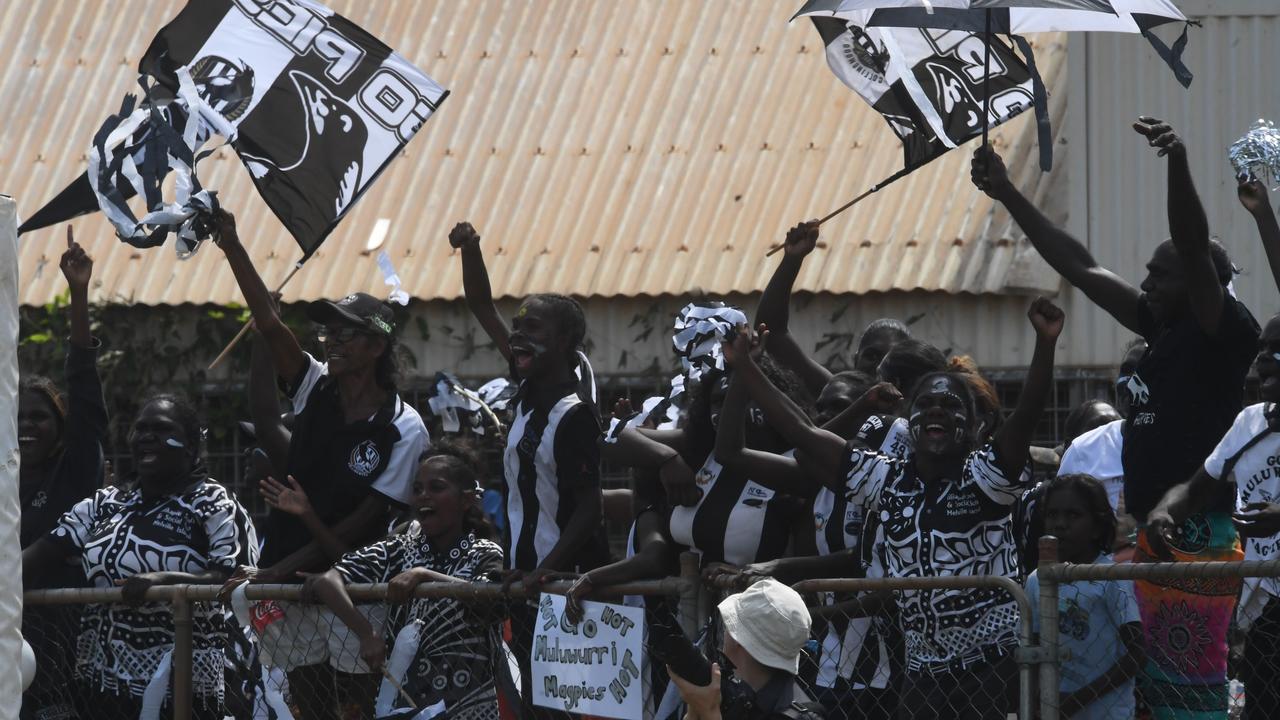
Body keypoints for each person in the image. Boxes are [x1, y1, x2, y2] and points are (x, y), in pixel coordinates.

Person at [974, 120, 1259, 718]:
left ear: (1200, 280)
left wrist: (1176, 161)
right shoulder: (1163, 325)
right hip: (1156, 532)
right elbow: (1080, 266)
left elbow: (1190, 238)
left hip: (1198, 532)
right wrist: (1008, 193)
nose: (1147, 282)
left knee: (1188, 696)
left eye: (1161, 273)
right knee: (1152, 697)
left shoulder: (1220, 330)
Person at [723, 298, 1063, 719]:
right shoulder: (886, 478)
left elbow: (1026, 415)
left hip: (991, 669)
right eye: (926, 405)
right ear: (909, 419)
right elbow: (804, 433)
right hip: (921, 672)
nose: (937, 409)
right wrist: (746, 367)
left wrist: (1045, 345)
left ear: (973, 427)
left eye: (952, 406)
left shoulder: (986, 477)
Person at [212, 209, 429, 719]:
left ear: (377, 346)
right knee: (307, 702)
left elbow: (360, 527)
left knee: (356, 706)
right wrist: (232, 244)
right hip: (288, 578)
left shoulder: (404, 427)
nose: (330, 340)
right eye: (328, 332)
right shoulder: (314, 385)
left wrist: (273, 572)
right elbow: (269, 325)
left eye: (345, 333)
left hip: (355, 588)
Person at [449, 221, 606, 719]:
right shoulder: (527, 397)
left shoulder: (574, 413)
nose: (517, 336)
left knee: (566, 710)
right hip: (525, 586)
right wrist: (472, 249)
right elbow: (480, 306)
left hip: (566, 589)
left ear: (563, 342)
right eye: (518, 328)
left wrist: (548, 569)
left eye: (532, 328)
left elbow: (590, 508)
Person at [22, 394, 258, 719]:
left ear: (189, 445)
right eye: (140, 429)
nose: (146, 437)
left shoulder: (214, 503)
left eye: (160, 430)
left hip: (191, 688)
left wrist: (165, 581)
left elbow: (231, 577)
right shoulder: (107, 502)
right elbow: (42, 552)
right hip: (104, 686)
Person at [302, 442, 506, 720]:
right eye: (418, 489)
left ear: (466, 500)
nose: (424, 496)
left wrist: (424, 576)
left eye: (436, 488)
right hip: (407, 702)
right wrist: (366, 634)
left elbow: (487, 601)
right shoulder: (398, 549)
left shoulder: (485, 552)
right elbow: (328, 581)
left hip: (470, 704)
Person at [1147, 312, 1280, 720]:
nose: (1264, 360)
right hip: (1265, 609)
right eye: (1260, 351)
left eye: (1276, 350)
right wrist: (1164, 511)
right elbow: (1197, 488)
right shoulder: (1249, 422)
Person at [19, 229, 109, 720]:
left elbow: (84, 388)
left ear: (59, 426)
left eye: (37, 417)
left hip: (58, 651)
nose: (25, 428)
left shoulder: (73, 472)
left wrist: (77, 293)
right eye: (15, 420)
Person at [1026, 474, 1144, 719]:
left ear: (1097, 526)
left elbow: (1137, 655)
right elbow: (1034, 648)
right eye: (1052, 514)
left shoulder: (1112, 578)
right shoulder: (1038, 581)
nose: (1060, 524)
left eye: (1073, 515)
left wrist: (1079, 699)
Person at [756, 220, 910, 393]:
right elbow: (772, 334)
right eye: (872, 356)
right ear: (855, 360)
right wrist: (792, 259)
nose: (879, 366)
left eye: (892, 358)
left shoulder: (923, 402)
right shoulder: (838, 397)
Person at [668, 578, 824, 720]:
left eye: (730, 624)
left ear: (738, 640)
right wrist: (694, 711)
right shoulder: (744, 697)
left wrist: (709, 712)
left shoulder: (793, 716)